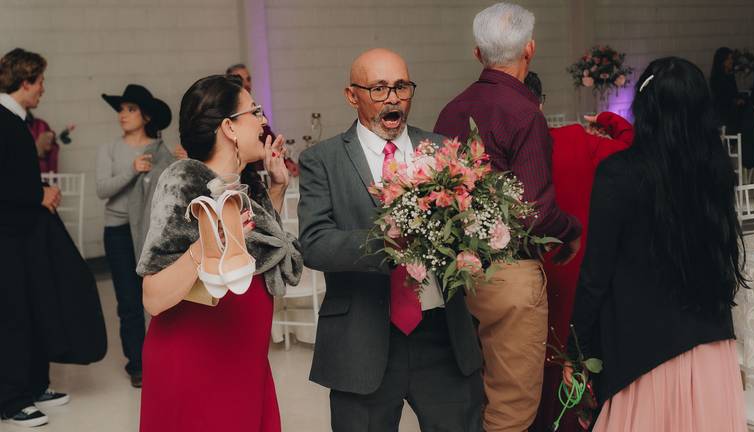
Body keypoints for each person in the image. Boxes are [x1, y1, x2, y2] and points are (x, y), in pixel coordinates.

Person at [298, 48, 484, 432]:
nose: (393, 99)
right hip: (361, 338)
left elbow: (469, 222)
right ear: (352, 96)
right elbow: (314, 243)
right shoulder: (323, 160)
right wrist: (384, 242)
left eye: (401, 87)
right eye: (379, 89)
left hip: (441, 335)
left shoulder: (442, 150)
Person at [566, 57, 748, 431]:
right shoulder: (716, 172)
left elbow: (595, 275)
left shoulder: (618, 174)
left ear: (645, 108)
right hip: (711, 351)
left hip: (644, 355)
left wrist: (577, 349)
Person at [434, 4, 581, 431]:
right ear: (529, 50)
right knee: (512, 410)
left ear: (478, 53)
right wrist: (571, 230)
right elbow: (534, 212)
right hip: (509, 275)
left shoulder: (451, 110)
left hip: (458, 273)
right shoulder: (524, 113)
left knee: (472, 395)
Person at [136, 74, 301, 432]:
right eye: (255, 111)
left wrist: (277, 189)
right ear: (229, 127)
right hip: (198, 360)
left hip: (244, 356)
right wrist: (204, 246)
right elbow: (152, 297)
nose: (263, 121)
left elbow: (262, 253)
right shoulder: (184, 182)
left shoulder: (249, 185)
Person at [522, 72, 634, 432]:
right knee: (574, 364)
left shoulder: (494, 156)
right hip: (574, 276)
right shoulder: (574, 140)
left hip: (521, 284)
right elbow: (633, 148)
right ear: (540, 104)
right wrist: (609, 120)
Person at [0, 47, 69, 428]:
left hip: (23, 235)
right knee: (12, 314)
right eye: (40, 81)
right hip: (7, 239)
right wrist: (37, 194)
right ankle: (12, 400)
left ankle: (34, 385)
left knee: (31, 307)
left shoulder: (16, 121)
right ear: (25, 82)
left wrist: (37, 191)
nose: (43, 88)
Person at [96, 84, 174, 388]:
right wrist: (132, 169)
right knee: (128, 301)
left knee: (157, 296)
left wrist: (180, 161)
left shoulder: (160, 150)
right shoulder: (109, 149)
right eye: (121, 109)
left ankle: (163, 356)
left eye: (131, 109)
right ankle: (137, 364)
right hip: (117, 232)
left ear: (146, 116)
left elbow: (171, 187)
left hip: (150, 232)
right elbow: (102, 189)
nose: (122, 114)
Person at [710, 47, 744, 134]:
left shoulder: (729, 76)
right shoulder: (717, 78)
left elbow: (734, 93)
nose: (731, 61)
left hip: (732, 111)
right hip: (723, 114)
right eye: (728, 59)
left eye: (731, 58)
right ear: (722, 61)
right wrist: (735, 101)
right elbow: (721, 98)